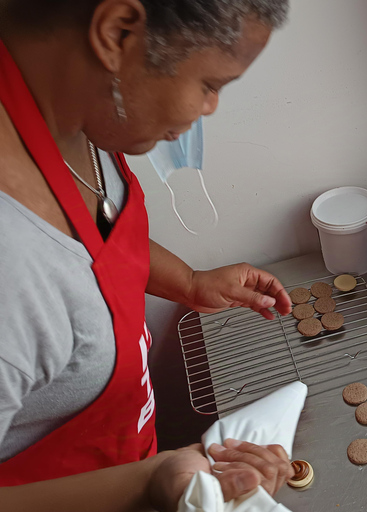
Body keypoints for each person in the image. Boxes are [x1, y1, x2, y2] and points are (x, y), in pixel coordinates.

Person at [0, 0, 297, 509]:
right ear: (117, 34)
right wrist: (147, 482)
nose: (210, 109)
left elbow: (94, 246)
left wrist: (186, 281)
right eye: (210, 85)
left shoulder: (80, 110)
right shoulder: (11, 270)